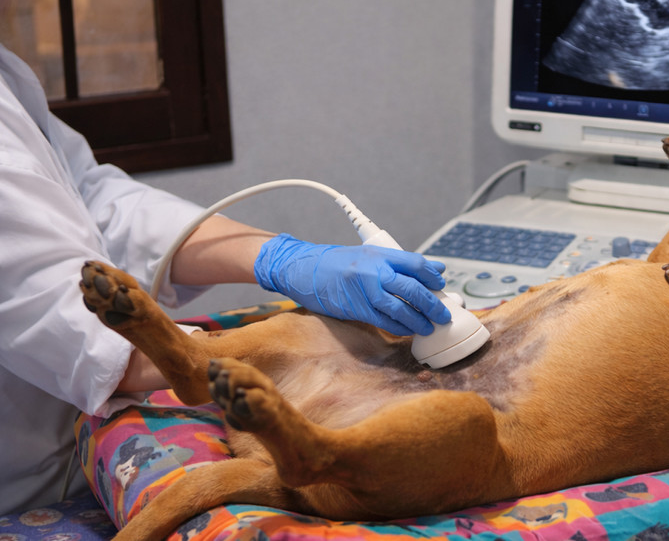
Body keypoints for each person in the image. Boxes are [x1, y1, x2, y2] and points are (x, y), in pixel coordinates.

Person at [0, 43, 451, 514]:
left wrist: (279, 258)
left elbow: (96, 199)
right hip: (28, 476)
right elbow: (75, 330)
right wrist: (239, 350)